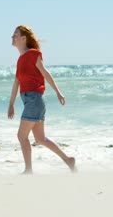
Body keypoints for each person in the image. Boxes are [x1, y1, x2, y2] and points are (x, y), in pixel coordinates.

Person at [8, 25, 76, 174]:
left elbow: (45, 73)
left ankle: (28, 170)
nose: (12, 38)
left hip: (34, 99)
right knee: (40, 139)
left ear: (23, 38)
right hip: (29, 101)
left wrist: (58, 92)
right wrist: (11, 104)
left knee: (21, 136)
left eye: (15, 35)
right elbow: (16, 83)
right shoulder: (20, 60)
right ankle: (68, 160)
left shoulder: (33, 54)